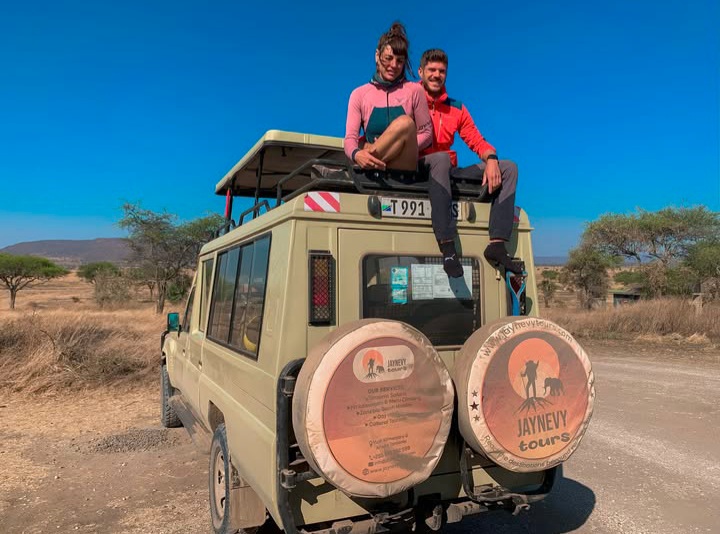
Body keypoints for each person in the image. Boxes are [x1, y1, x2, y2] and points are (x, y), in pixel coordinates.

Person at [344, 23, 462, 277]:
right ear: (377, 56)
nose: (393, 65)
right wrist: (357, 154)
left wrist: (398, 145)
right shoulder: (359, 95)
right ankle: (373, 155)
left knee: (405, 123)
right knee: (368, 142)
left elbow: (427, 132)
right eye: (388, 58)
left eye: (399, 60)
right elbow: (350, 139)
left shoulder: (413, 91)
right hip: (375, 163)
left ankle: (374, 152)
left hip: (406, 161)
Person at [418, 48, 523, 275]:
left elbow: (476, 139)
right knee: (441, 159)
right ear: (421, 72)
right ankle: (447, 247)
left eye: (441, 71)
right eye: (432, 70)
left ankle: (496, 244)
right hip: (417, 168)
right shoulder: (410, 100)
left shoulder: (456, 108)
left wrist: (492, 158)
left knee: (509, 168)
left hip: (447, 169)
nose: (436, 75)